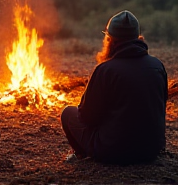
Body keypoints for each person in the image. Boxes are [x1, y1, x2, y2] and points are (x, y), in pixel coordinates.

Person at [61, 10, 168, 165]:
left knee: (68, 113)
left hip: (114, 152)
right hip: (151, 150)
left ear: (110, 40)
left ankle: (82, 155)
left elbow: (86, 117)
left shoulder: (106, 70)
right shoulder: (158, 66)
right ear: (138, 37)